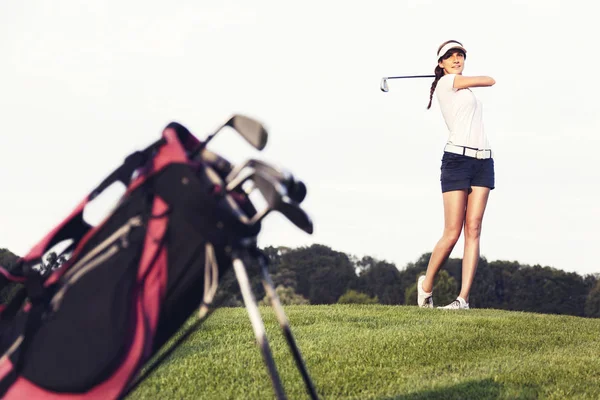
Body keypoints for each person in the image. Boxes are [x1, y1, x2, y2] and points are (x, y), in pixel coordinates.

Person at [417, 40, 496, 309]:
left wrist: (461, 79)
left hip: (483, 160)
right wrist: (455, 76)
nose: (456, 59)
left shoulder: (462, 88)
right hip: (457, 160)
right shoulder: (446, 84)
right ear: (440, 63)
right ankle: (426, 286)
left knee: (473, 229)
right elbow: (490, 79)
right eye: (450, 56)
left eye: (460, 55)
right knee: (452, 233)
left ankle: (463, 299)